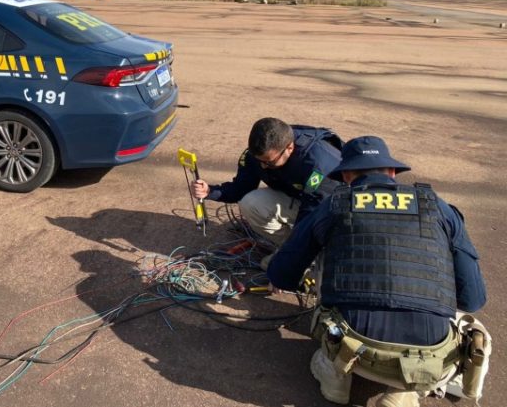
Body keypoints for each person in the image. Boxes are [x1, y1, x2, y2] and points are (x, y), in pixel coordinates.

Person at [267, 136, 489, 407]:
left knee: (327, 248)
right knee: (474, 331)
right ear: (392, 172)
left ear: (347, 175)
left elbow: (281, 275)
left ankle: (336, 376)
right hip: (429, 356)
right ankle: (407, 389)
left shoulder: (334, 204)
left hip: (349, 345)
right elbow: (472, 300)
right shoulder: (438, 207)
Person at [190, 117, 343, 246]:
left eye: (269, 162)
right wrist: (210, 191)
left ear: (289, 148)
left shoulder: (319, 165)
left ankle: (309, 255)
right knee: (250, 202)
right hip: (302, 197)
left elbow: (313, 211)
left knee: (322, 236)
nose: (263, 166)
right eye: (260, 161)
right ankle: (289, 249)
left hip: (336, 206)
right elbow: (241, 189)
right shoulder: (258, 153)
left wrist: (297, 253)